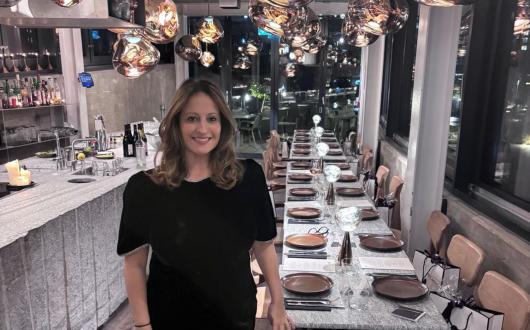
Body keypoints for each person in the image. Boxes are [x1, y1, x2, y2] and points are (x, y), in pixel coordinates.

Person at [117, 79, 295, 330]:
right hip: (170, 317)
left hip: (234, 315)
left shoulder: (248, 178)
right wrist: (142, 324)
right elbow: (134, 265)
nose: (203, 128)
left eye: (211, 118)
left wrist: (278, 302)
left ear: (222, 124)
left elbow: (264, 246)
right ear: (177, 124)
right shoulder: (145, 189)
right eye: (192, 118)